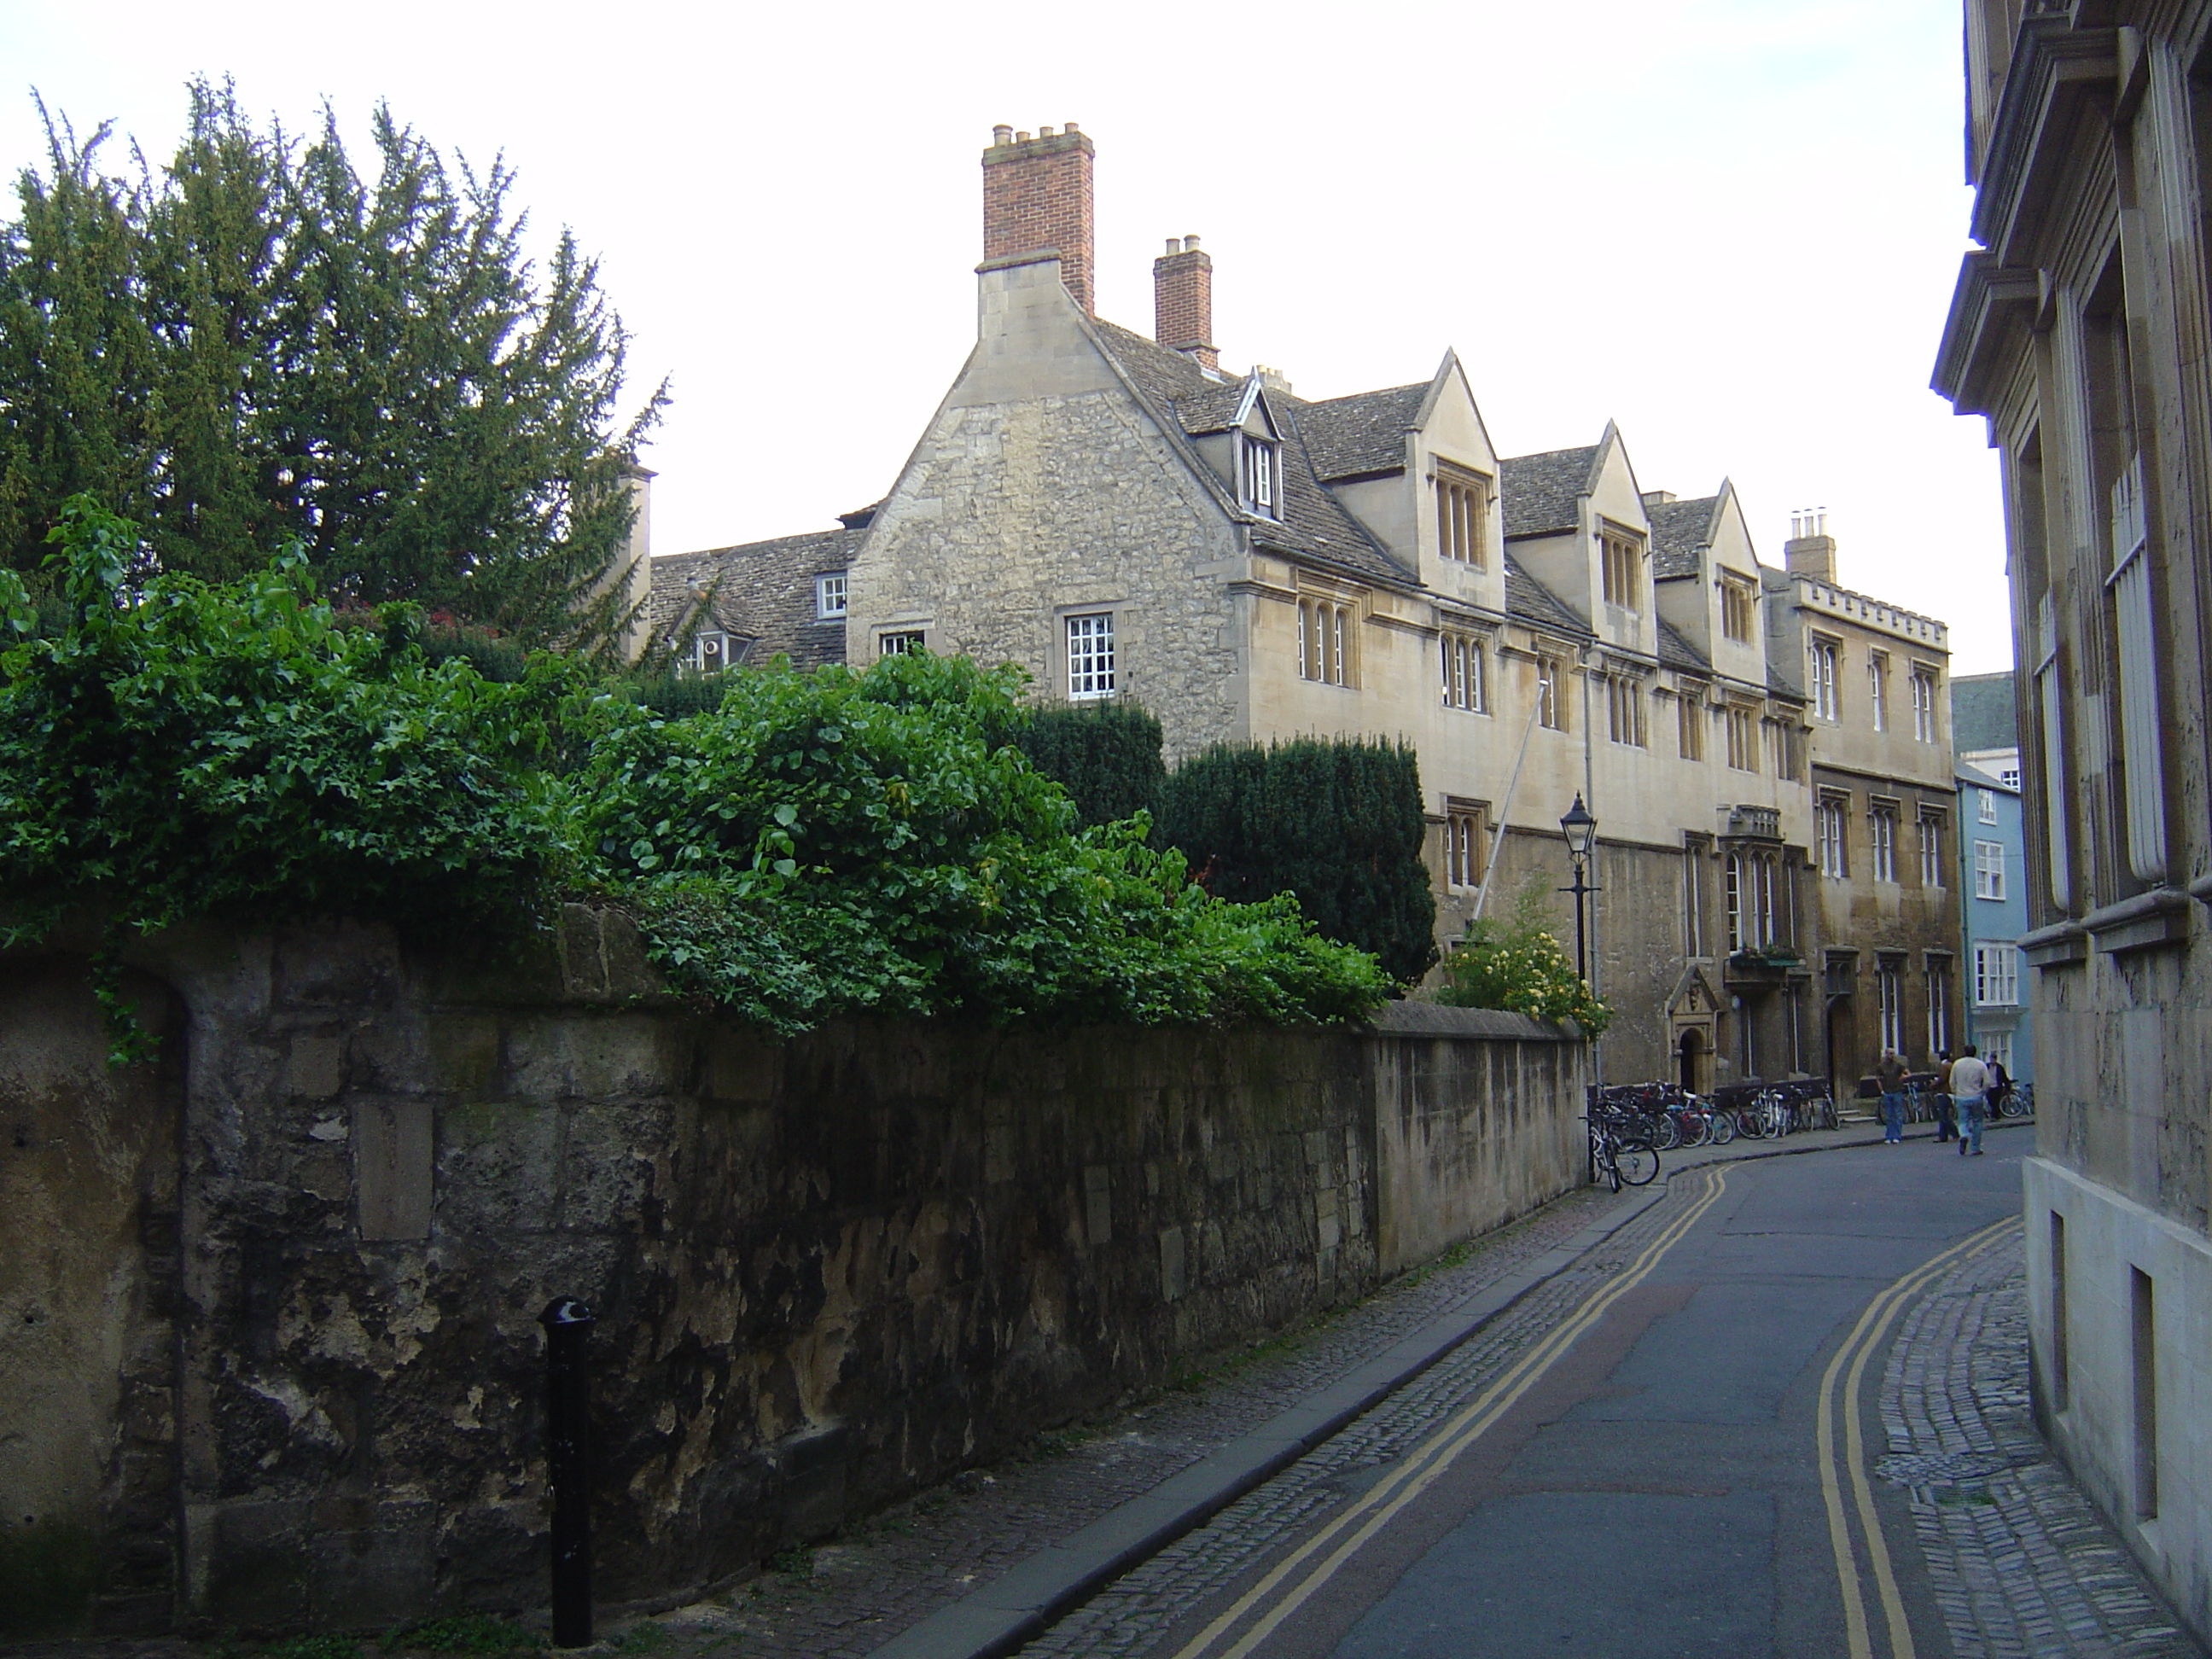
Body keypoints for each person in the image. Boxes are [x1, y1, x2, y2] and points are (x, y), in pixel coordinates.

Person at [1948, 1045, 1991, 1156]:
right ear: (1975, 1052)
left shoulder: (1957, 1064)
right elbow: (1987, 1082)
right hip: (1976, 1096)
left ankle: (1964, 1135)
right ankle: (1975, 1148)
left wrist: (1955, 1092)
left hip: (1961, 1096)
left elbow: (1952, 1081)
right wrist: (1982, 1092)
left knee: (1962, 1121)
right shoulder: (1980, 1065)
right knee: (1977, 1122)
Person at [1877, 1048, 1909, 1144]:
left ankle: (1897, 1136)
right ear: (1886, 1054)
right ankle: (1889, 1136)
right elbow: (1878, 1079)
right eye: (1890, 1053)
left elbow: (1908, 1073)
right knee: (1889, 1116)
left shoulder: (1898, 1065)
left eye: (1893, 1054)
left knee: (1898, 1114)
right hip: (1887, 1092)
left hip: (1897, 1091)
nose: (1892, 1055)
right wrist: (1881, 1090)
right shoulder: (1881, 1066)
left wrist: (1902, 1078)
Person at [1934, 1049, 1958, 1141]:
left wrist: (1934, 1083)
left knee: (1943, 1115)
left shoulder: (1944, 1066)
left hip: (1944, 1092)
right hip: (1950, 1092)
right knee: (1943, 1115)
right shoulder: (1951, 1065)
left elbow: (1942, 1079)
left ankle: (1953, 1133)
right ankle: (1943, 1136)